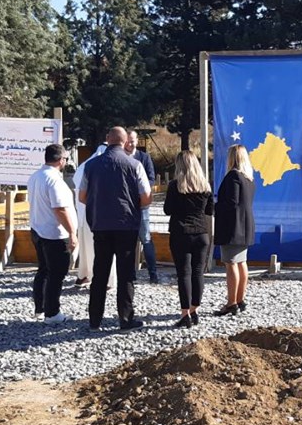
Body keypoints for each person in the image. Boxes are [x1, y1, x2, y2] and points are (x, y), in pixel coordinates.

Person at [79, 126, 151, 331]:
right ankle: (125, 319)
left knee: (100, 272)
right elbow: (146, 197)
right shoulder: (135, 164)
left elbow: (82, 196)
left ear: (107, 139)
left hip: (100, 225)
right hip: (126, 225)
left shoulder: (91, 165)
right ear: (125, 141)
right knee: (126, 273)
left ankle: (94, 320)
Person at [27, 144, 78, 324]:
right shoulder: (55, 180)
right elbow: (60, 209)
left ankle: (40, 308)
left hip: (37, 229)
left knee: (43, 270)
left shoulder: (35, 176)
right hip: (55, 233)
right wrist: (72, 233)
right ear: (61, 160)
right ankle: (52, 313)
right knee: (56, 274)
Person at [163, 150, 213, 328]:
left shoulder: (175, 186)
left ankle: (185, 314)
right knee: (198, 272)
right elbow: (209, 211)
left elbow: (167, 210)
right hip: (201, 233)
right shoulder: (205, 186)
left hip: (181, 233)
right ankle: (194, 309)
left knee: (183, 273)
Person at [213, 144, 255, 316]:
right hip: (245, 226)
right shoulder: (248, 178)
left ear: (232, 158)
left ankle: (231, 303)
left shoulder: (233, 176)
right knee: (241, 262)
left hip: (232, 227)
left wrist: (215, 206)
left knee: (230, 263)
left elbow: (231, 203)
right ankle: (240, 299)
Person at [72, 141, 114, 289]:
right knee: (104, 251)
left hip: (85, 215)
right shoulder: (108, 167)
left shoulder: (85, 166)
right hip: (102, 216)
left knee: (87, 249)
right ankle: (107, 280)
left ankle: (84, 275)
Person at [124, 130, 159, 283]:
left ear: (137, 141)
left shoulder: (144, 158)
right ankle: (130, 274)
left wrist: (141, 189)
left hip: (141, 204)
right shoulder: (120, 157)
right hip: (125, 205)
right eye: (128, 141)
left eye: (132, 141)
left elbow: (151, 178)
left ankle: (153, 273)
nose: (130, 144)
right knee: (128, 241)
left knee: (146, 238)